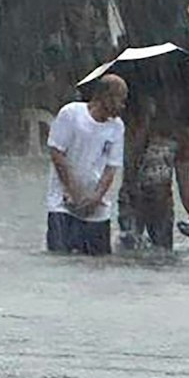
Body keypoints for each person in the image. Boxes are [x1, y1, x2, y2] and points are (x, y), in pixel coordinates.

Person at [47, 74, 129, 255]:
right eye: (119, 100)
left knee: (98, 264)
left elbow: (111, 168)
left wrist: (95, 198)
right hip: (63, 205)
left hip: (97, 209)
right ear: (104, 96)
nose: (122, 107)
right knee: (60, 259)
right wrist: (74, 193)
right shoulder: (71, 114)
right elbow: (56, 153)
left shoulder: (117, 127)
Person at [123, 96, 189, 251]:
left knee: (162, 251)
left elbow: (183, 181)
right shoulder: (136, 126)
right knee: (131, 249)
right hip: (132, 199)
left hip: (161, 202)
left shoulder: (182, 136)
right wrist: (145, 123)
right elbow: (130, 159)